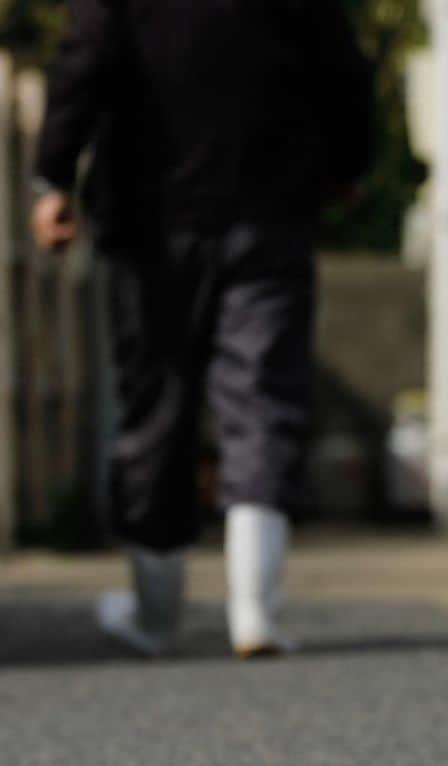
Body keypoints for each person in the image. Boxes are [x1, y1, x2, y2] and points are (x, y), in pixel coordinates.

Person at [31, 0, 375, 658]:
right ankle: (255, 610)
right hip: (268, 206)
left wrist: (54, 173)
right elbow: (341, 66)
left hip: (148, 215)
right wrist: (347, 167)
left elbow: (85, 58)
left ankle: (155, 615)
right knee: (262, 393)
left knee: (155, 398)